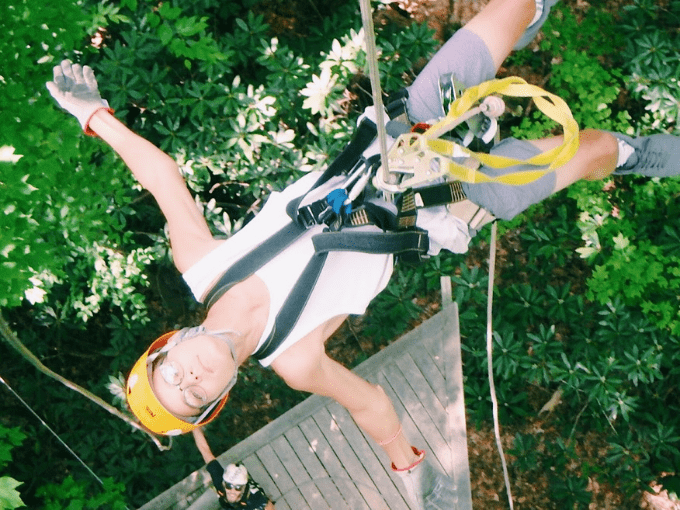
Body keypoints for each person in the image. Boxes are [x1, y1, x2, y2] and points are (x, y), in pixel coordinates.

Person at [46, 0, 680, 507]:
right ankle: (646, 154)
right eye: (191, 396)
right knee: (583, 152)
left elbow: (163, 179)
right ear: (220, 399)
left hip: (398, 141)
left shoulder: (201, 267)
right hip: (442, 201)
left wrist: (94, 116)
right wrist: (411, 471)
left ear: (173, 342)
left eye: (172, 372)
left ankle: (528, 20)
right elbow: (371, 404)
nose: (189, 377)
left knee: (511, 9)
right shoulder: (294, 361)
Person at [193, 428, 275, 510]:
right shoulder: (219, 479)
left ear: (243, 488)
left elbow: (269, 507)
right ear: (224, 483)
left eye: (238, 488)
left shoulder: (256, 500)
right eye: (229, 486)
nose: (233, 491)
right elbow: (205, 450)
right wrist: (194, 427)